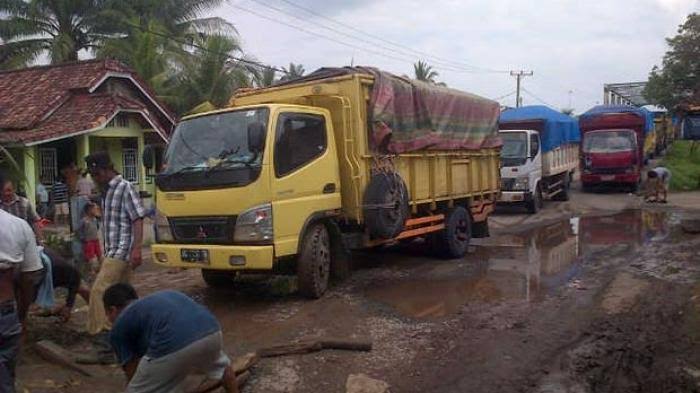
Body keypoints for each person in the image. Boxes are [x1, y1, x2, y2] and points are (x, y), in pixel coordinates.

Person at [103, 284, 238, 393]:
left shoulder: (119, 326)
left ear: (112, 310)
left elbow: (132, 372)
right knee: (222, 368)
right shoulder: (160, 299)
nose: (109, 320)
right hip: (212, 331)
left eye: (107, 315)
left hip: (176, 343)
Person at [84, 151, 145, 336]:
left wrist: (137, 248)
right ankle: (126, 333)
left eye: (96, 175)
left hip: (122, 250)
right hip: (113, 250)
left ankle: (102, 334)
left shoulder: (125, 187)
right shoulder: (106, 191)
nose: (95, 179)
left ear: (106, 170)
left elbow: (138, 218)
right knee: (120, 296)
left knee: (98, 292)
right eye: (93, 176)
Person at [0, 172, 44, 393]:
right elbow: (29, 277)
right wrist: (22, 312)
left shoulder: (24, 208)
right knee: (6, 373)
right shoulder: (17, 226)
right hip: (7, 311)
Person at [39, 247, 91, 323]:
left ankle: (97, 311)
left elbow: (75, 280)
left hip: (59, 270)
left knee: (82, 288)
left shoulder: (61, 269)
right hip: (49, 268)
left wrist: (69, 306)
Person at [78, 202, 101, 281]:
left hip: (95, 240)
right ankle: (91, 272)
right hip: (88, 241)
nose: (95, 211)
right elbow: (80, 231)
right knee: (90, 258)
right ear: (88, 210)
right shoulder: (84, 221)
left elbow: (97, 228)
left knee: (99, 255)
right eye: (93, 209)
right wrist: (83, 239)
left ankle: (98, 270)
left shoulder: (95, 220)